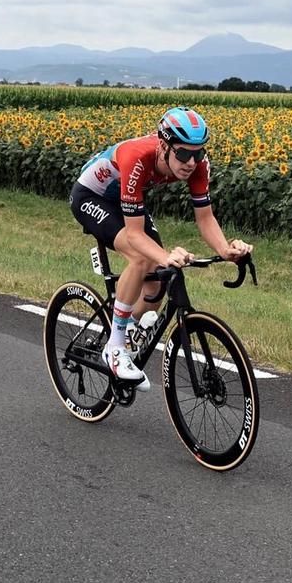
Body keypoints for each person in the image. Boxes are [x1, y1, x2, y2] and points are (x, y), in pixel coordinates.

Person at [68, 107, 251, 388]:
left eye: (198, 153)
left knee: (156, 284)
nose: (191, 162)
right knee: (142, 257)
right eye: (183, 153)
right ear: (163, 146)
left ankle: (125, 331)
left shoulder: (198, 165)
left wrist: (226, 250)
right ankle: (114, 349)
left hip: (128, 200)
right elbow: (134, 235)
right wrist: (166, 255)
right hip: (92, 196)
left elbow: (205, 218)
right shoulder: (137, 157)